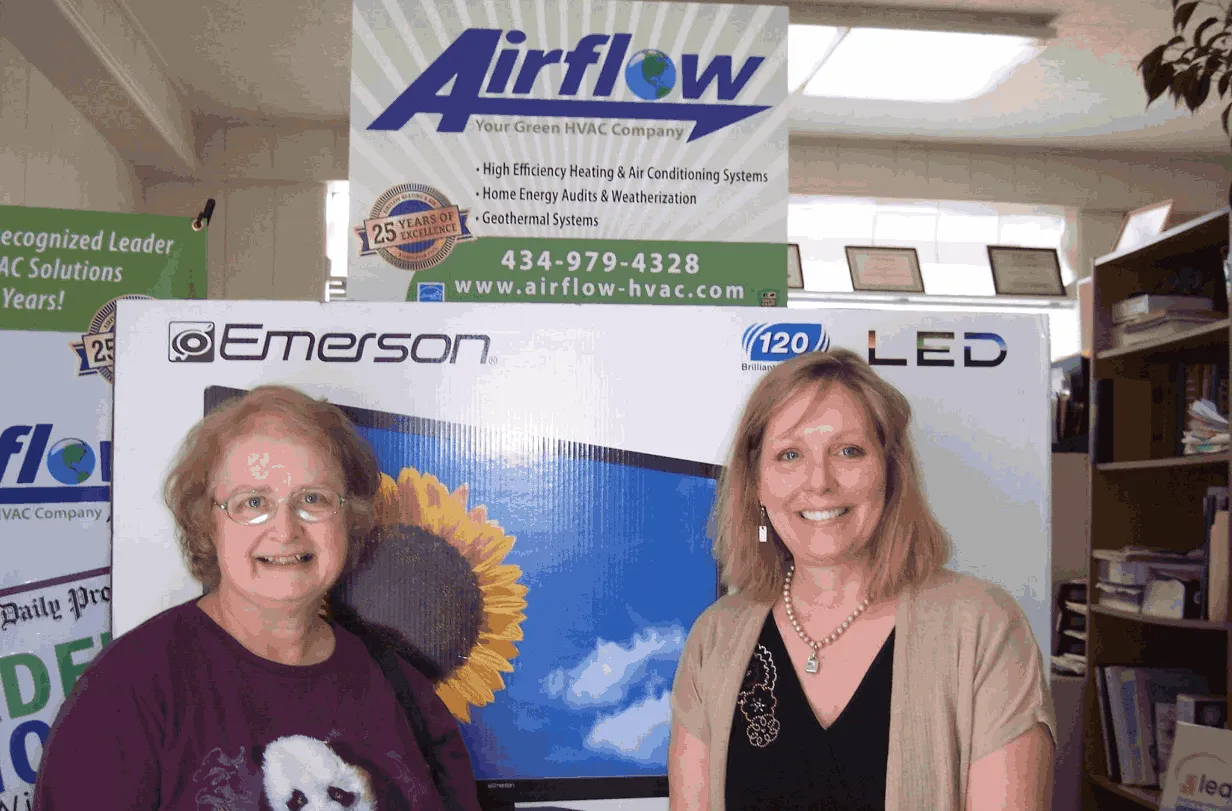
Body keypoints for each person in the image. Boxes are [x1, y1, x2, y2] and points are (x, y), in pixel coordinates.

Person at [34, 385, 481, 811]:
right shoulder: (130, 689)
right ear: (208, 524)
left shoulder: (403, 688)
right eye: (252, 503)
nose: (285, 530)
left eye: (313, 498)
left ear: (350, 519)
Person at [669, 348, 1056, 811]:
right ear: (756, 483)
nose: (820, 482)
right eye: (789, 455)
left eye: (848, 451)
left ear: (891, 471)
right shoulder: (716, 637)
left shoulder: (983, 629)